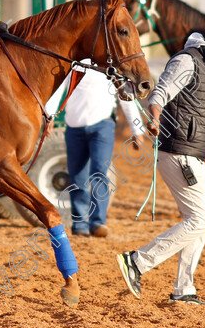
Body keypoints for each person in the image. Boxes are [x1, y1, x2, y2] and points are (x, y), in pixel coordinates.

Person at [116, 18, 205, 307]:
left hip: (193, 153)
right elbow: (159, 94)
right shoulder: (187, 61)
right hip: (179, 152)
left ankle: (184, 289)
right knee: (200, 220)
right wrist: (156, 117)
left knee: (198, 223)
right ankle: (136, 261)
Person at [63, 59, 147, 238]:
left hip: (102, 126)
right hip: (73, 127)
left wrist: (137, 130)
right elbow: (57, 91)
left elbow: (126, 98)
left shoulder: (109, 67)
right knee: (77, 176)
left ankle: (98, 222)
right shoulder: (71, 63)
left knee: (99, 174)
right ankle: (80, 224)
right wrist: (47, 117)